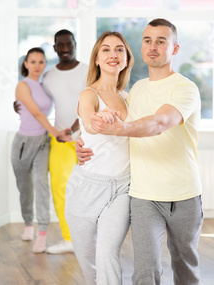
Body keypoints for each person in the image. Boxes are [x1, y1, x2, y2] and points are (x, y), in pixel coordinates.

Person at [77, 19, 204, 284]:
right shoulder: (135, 90)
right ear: (142, 47)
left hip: (185, 194)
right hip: (143, 195)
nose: (153, 46)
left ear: (175, 48)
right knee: (146, 271)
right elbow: (106, 128)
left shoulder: (185, 88)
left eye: (161, 41)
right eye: (148, 40)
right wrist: (82, 143)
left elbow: (158, 123)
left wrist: (116, 129)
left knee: (185, 267)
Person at [65, 31, 134, 285]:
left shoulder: (130, 99)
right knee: (87, 261)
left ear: (126, 59)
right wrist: (97, 122)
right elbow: (88, 122)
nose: (113, 54)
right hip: (86, 187)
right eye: (105, 49)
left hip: (122, 189)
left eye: (119, 50)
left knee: (107, 254)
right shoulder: (89, 94)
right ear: (96, 58)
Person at [15, 29, 88, 254]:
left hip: (88, 136)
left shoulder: (89, 71)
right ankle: (69, 239)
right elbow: (36, 101)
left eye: (69, 44)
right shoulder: (48, 77)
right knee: (59, 187)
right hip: (60, 139)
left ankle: (94, 237)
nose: (65, 49)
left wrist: (77, 127)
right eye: (60, 45)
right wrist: (17, 105)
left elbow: (97, 100)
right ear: (55, 47)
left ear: (75, 44)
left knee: (93, 188)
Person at [12, 47, 71, 253]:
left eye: (41, 62)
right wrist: (57, 132)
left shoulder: (46, 85)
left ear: (45, 64)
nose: (37, 66)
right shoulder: (22, 85)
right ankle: (28, 223)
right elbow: (35, 112)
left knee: (41, 184)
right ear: (26, 64)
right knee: (25, 187)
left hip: (43, 142)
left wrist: (59, 131)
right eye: (33, 62)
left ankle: (42, 233)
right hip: (23, 143)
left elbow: (54, 106)